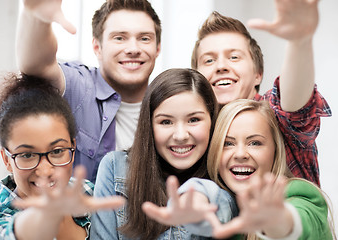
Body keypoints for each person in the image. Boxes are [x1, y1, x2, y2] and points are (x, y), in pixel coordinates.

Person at [143, 99, 335, 240]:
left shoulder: (302, 195)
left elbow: (299, 220)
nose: (240, 154)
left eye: (255, 143)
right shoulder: (225, 204)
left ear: (276, 151)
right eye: (228, 143)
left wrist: (277, 221)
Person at [15, 0, 162, 182]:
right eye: (119, 38)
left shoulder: (167, 103)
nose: (133, 49)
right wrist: (35, 18)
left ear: (157, 48)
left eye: (144, 38)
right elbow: (37, 64)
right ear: (97, 48)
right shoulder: (79, 86)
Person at [191, 0, 331, 186]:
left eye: (234, 57)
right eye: (209, 60)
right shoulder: (197, 129)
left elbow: (294, 106)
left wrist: (299, 42)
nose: (221, 66)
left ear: (258, 74)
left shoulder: (274, 115)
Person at [90, 68, 238, 239]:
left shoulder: (225, 174)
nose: (181, 135)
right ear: (149, 125)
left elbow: (222, 204)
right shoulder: (115, 167)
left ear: (212, 120)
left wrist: (200, 197)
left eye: (194, 120)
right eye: (166, 122)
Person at [0, 73, 125, 240]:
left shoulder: (89, 192)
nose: (45, 170)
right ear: (6, 159)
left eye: (57, 151)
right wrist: (44, 217)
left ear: (73, 146)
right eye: (27, 155)